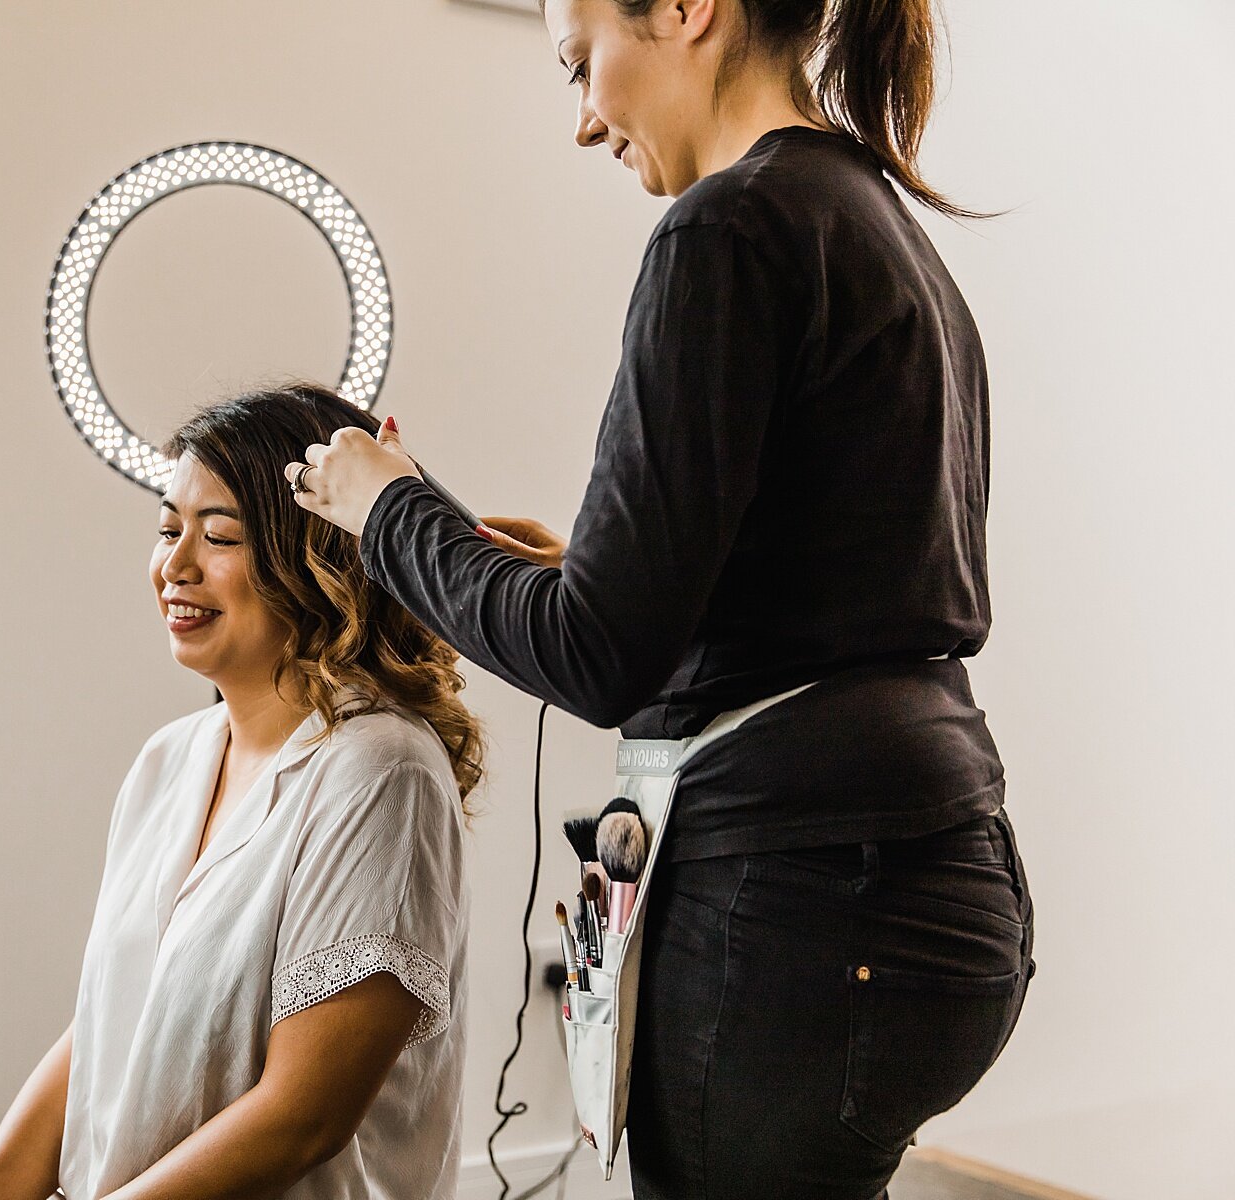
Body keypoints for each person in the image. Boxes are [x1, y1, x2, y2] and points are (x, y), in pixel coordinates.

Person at [286, 1, 1034, 1197]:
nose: (584, 121)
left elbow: (597, 658)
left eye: (584, 65)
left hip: (803, 909)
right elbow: (816, 592)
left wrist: (388, 510)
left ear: (687, 9)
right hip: (934, 878)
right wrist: (573, 570)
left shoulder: (727, 228)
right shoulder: (873, 222)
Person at [0, 384, 482, 1200]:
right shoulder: (169, 763)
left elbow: (302, 1115)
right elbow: (109, 1028)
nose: (176, 567)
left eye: (221, 536)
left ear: (319, 557)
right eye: (169, 530)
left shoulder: (383, 773)